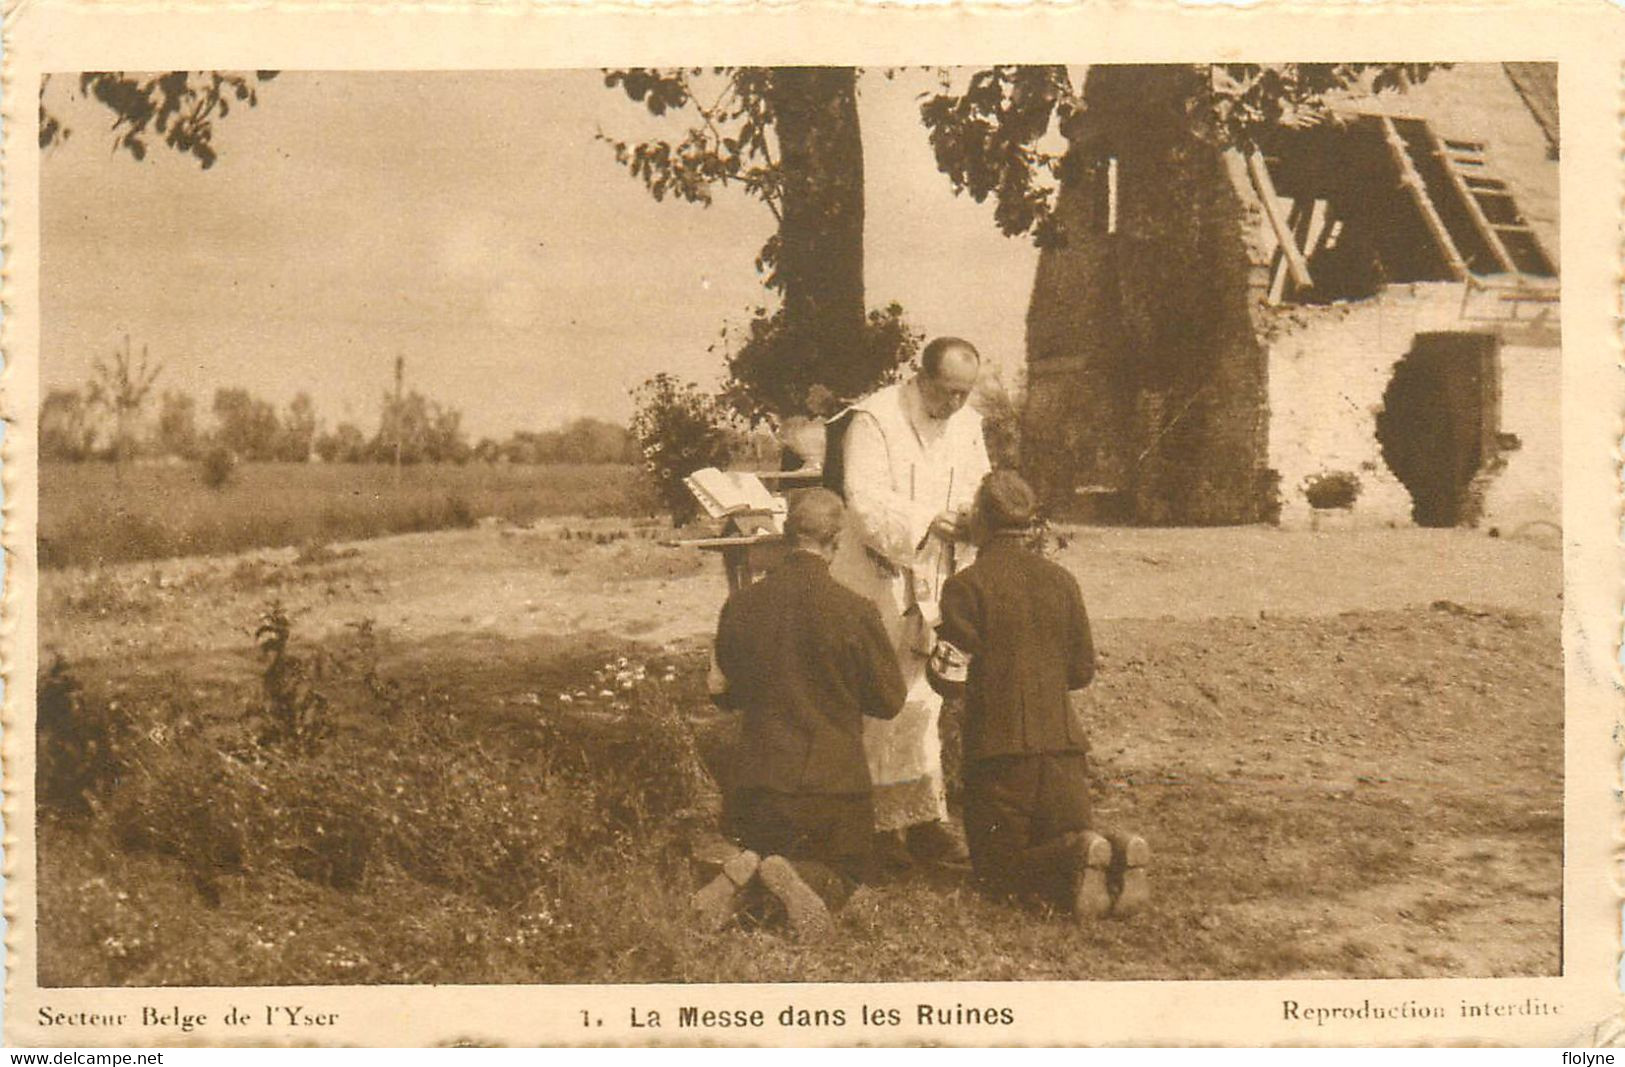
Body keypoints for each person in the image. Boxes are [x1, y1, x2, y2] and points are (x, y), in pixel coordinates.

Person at [932, 470, 1150, 920]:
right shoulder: (1062, 581)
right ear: (1029, 523)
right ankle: (1110, 847)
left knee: (996, 872)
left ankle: (1078, 856)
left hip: (1000, 756)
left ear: (981, 522)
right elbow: (1081, 670)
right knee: (1061, 836)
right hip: (1065, 753)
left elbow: (950, 680)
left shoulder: (966, 587)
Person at [695, 488, 908, 937]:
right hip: (835, 792)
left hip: (758, 791)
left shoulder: (740, 606)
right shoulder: (857, 611)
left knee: (767, 851)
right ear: (835, 541)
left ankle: (748, 874)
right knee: (849, 876)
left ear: (787, 536)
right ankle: (793, 879)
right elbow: (889, 701)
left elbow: (723, 695)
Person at [829, 337, 991, 866]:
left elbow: (979, 482)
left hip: (940, 574)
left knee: (926, 699)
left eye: (965, 394)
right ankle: (874, 825)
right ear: (921, 379)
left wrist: (976, 516)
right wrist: (927, 522)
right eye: (947, 393)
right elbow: (864, 496)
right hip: (883, 577)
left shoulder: (967, 424)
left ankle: (923, 819)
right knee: (881, 695)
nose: (956, 406)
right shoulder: (875, 418)